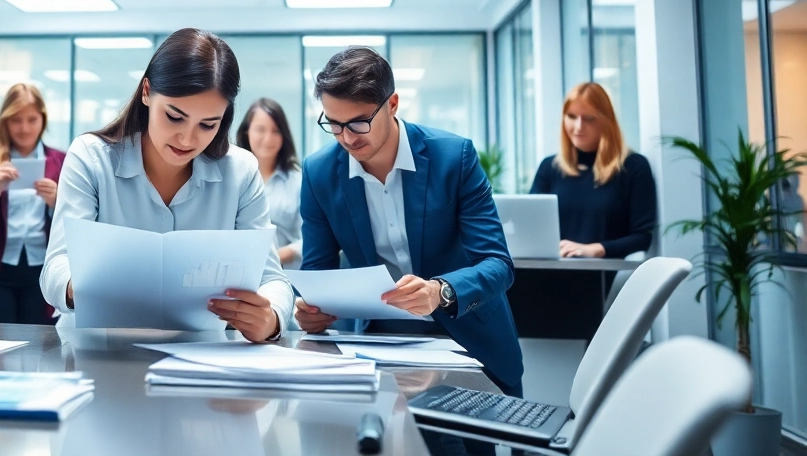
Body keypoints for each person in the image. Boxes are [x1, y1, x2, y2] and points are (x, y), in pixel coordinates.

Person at [294, 46, 523, 398]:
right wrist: (311, 311)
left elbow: (498, 265)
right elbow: (319, 275)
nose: (347, 137)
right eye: (334, 124)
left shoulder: (453, 157)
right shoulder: (319, 172)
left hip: (466, 333)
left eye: (358, 122)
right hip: (379, 344)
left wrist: (440, 291)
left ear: (393, 104)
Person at [41, 29, 293, 343]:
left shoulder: (240, 171)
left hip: (199, 361)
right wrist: (78, 285)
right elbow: (55, 266)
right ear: (147, 92)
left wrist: (270, 319)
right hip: (95, 352)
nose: (187, 140)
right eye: (174, 117)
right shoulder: (92, 158)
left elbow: (272, 279)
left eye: (208, 125)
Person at [0, 83, 67, 324]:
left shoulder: (61, 161)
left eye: (32, 119)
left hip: (41, 271)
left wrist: (55, 204)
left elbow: (74, 226)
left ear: (43, 119)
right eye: (16, 120)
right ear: (4, 121)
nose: (24, 128)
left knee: (40, 350)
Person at [530, 82, 657, 259]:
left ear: (606, 121)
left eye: (588, 118)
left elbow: (642, 238)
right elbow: (529, 226)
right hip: (550, 268)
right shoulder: (550, 167)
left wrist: (594, 249)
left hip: (599, 274)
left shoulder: (633, 167)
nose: (578, 127)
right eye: (571, 116)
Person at [235, 98, 303, 270]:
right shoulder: (233, 178)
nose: (268, 138)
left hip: (288, 275)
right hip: (240, 272)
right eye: (260, 129)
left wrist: (275, 257)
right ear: (246, 132)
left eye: (276, 131)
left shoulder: (297, 181)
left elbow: (312, 238)